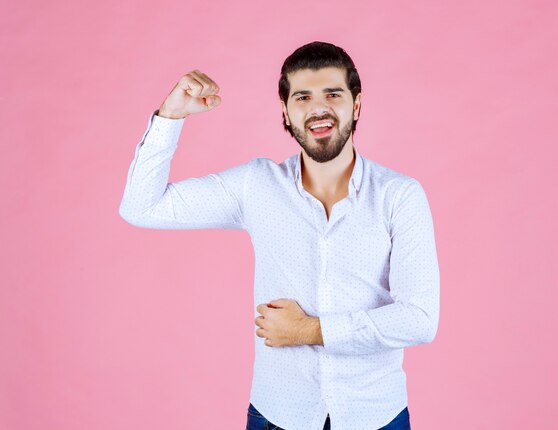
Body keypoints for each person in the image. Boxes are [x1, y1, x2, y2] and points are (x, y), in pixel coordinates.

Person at [119, 41, 440, 430]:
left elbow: (420, 319)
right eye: (302, 97)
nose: (318, 108)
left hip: (374, 414)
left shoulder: (400, 196)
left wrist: (310, 330)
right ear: (285, 114)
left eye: (333, 94)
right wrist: (169, 117)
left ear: (356, 106)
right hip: (278, 414)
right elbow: (141, 207)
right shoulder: (257, 186)